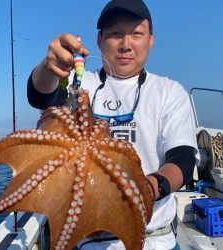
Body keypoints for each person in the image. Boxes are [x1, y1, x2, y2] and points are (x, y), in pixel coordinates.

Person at [27, 0, 197, 249]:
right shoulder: (81, 83)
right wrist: (49, 67)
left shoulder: (169, 92)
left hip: (154, 239)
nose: (126, 45)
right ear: (99, 40)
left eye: (136, 33)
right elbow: (41, 96)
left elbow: (182, 159)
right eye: (115, 33)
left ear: (150, 39)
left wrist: (149, 188)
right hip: (88, 240)